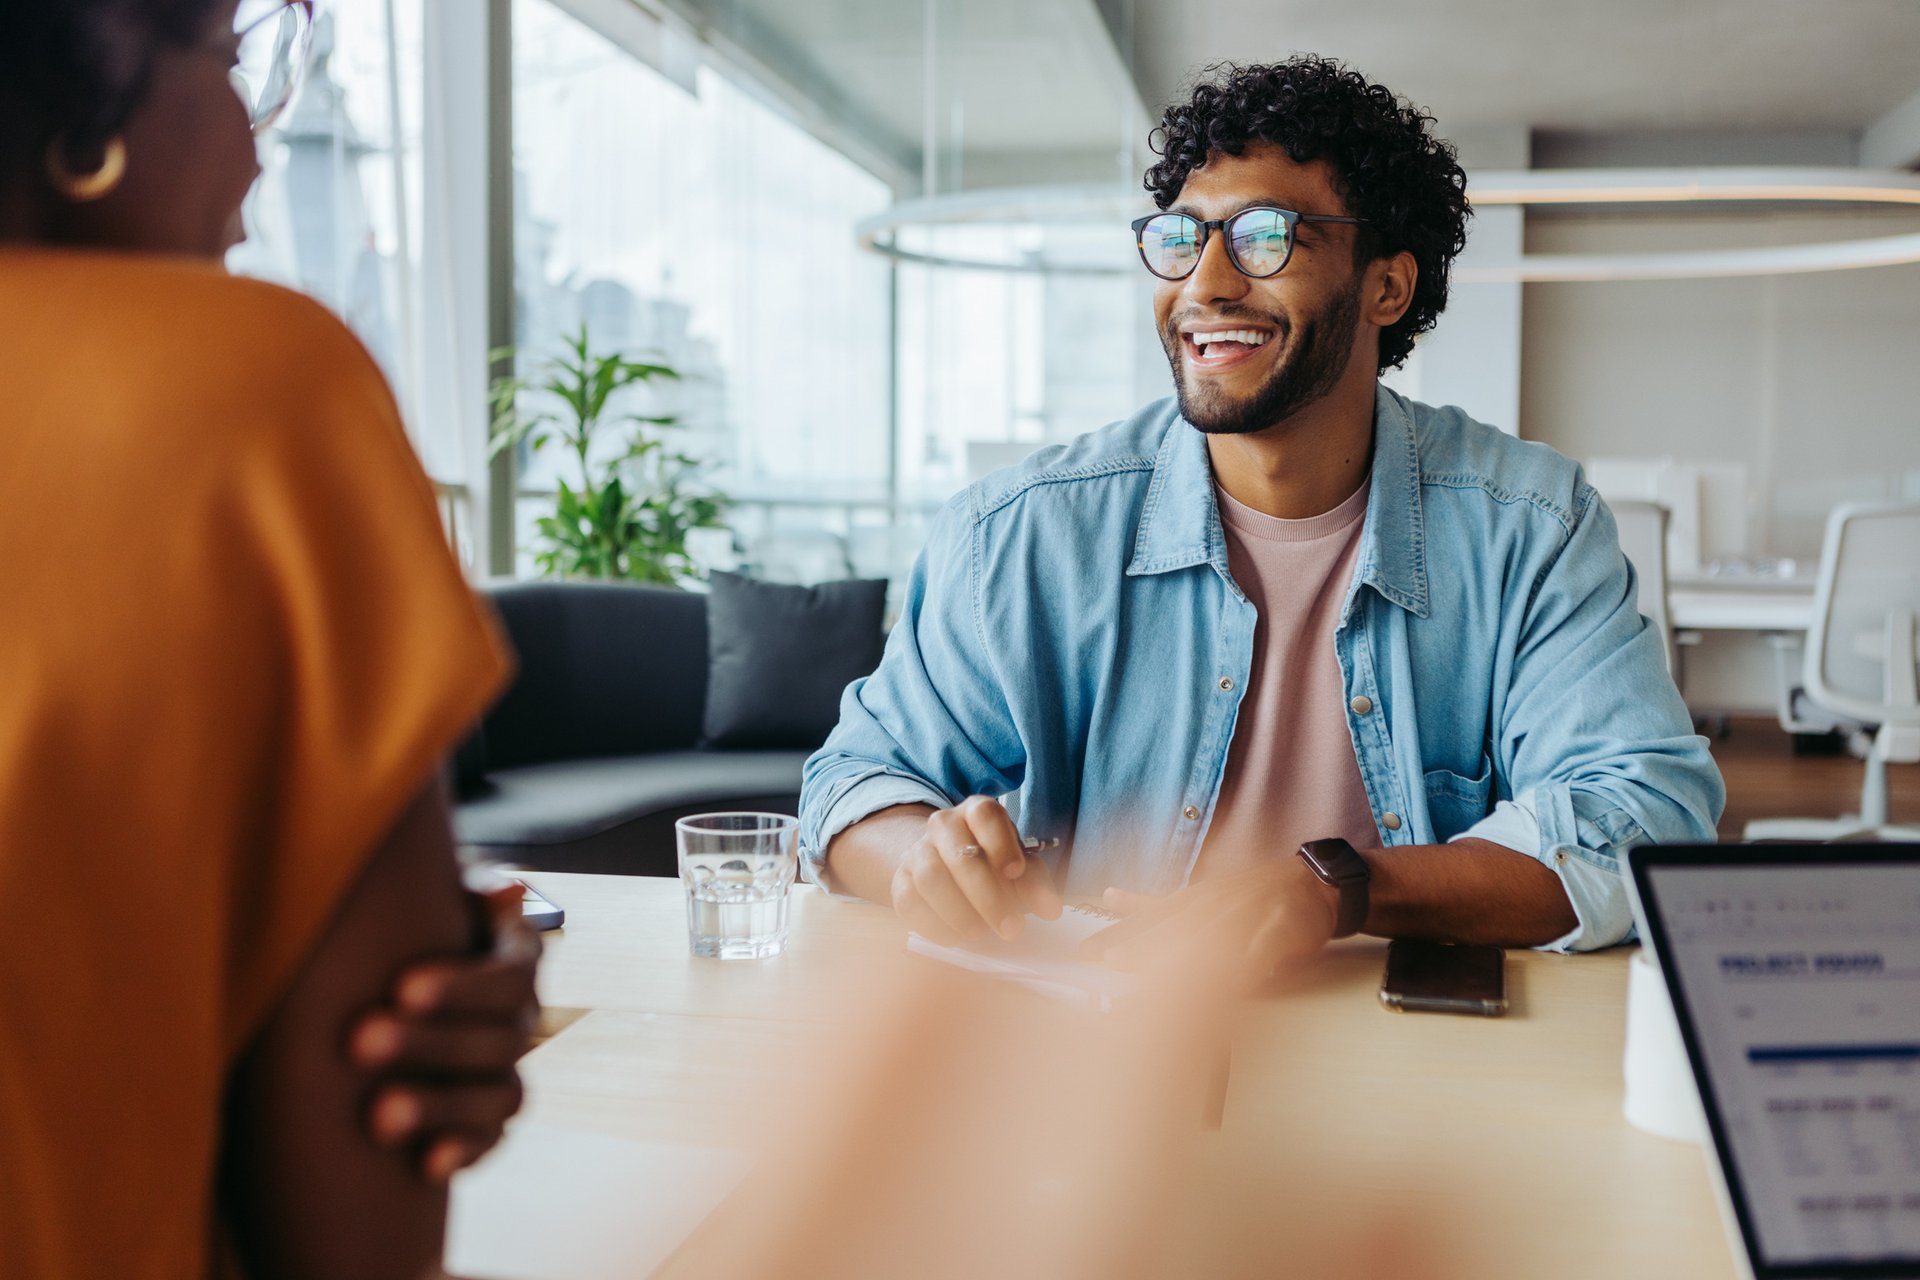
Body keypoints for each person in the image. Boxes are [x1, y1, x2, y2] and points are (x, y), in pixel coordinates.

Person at [800, 57, 1725, 980]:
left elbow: (1644, 816)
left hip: (1409, 1050)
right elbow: (851, 789)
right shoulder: (1020, 536)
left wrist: (1336, 886)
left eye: (1264, 237)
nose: (1205, 284)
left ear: (1386, 287)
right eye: (1181, 238)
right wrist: (925, 861)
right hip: (1093, 1053)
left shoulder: (1529, 528)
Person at [0, 1, 538, 1275]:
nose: (253, 154)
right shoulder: (245, 397)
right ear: (84, 79)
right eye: (232, 62)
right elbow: (354, 1236)